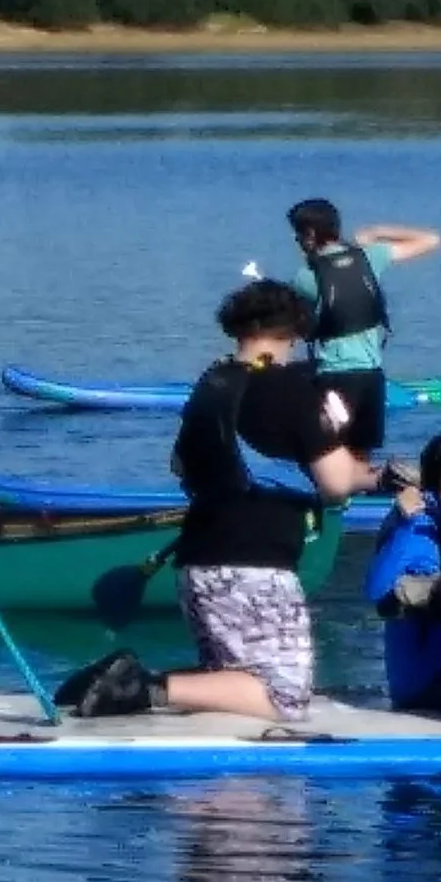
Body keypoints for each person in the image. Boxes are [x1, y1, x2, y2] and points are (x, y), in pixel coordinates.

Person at [55, 280, 389, 723]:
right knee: (284, 697)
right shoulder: (291, 391)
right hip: (254, 565)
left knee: (232, 678)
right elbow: (336, 481)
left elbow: (182, 467)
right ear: (294, 332)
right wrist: (383, 475)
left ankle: (122, 683)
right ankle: (143, 686)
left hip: (199, 561)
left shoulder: (211, 384)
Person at [285, 198, 441, 458]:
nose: (297, 242)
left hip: (333, 377)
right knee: (362, 454)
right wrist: (377, 232)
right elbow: (431, 239)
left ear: (310, 234)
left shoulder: (304, 278)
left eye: (298, 234)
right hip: (371, 376)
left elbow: (297, 326)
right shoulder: (371, 256)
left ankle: (334, 495)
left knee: (329, 452)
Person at [364, 431, 441, 711]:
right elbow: (376, 590)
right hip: (424, 680)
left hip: (436, 668)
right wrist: (406, 522)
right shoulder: (418, 525)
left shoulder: (439, 519)